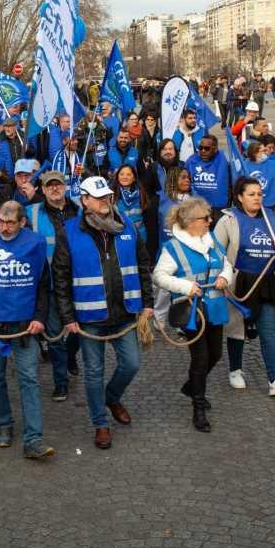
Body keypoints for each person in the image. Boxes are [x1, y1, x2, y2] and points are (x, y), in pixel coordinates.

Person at [52, 176, 154, 450]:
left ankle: (112, 397)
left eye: (107, 195)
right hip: (90, 317)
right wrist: (67, 317)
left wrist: (148, 303)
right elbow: (60, 277)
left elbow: (143, 265)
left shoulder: (127, 225)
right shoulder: (69, 231)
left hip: (125, 313)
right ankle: (100, 424)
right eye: (98, 197)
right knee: (93, 373)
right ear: (84, 200)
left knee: (132, 364)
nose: (105, 201)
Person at [0, 201, 55, 459]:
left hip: (25, 326)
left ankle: (34, 438)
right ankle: (4, 424)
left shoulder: (35, 243)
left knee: (29, 379)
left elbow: (43, 284)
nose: (4, 228)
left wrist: (40, 317)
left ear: (22, 222)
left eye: (10, 223)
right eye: (1, 222)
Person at [153, 197, 235, 432]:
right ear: (190, 221)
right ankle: (198, 407)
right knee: (200, 359)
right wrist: (185, 287)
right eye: (205, 218)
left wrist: (225, 277)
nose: (210, 221)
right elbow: (159, 276)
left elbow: (226, 264)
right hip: (192, 312)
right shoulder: (173, 248)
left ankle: (191, 387)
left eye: (210, 217)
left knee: (215, 355)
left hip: (215, 308)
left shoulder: (211, 240)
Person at [212, 178, 275, 397]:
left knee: (268, 329)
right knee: (237, 328)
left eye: (259, 194)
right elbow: (216, 252)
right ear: (240, 197)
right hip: (238, 281)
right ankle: (235, 370)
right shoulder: (228, 220)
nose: (257, 198)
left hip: (265, 281)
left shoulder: (271, 219)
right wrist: (221, 277)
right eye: (251, 194)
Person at [27, 171, 81, 401]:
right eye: (49, 186)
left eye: (58, 184)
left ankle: (71, 355)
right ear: (43, 190)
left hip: (79, 281)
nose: (54, 189)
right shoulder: (31, 213)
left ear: (65, 186)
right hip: (48, 283)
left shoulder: (81, 209)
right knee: (54, 336)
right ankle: (61, 381)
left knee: (82, 330)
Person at [184, 135, 230, 222]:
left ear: (215, 149)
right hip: (197, 208)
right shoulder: (191, 161)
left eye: (207, 148)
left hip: (219, 210)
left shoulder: (224, 161)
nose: (203, 151)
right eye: (200, 148)